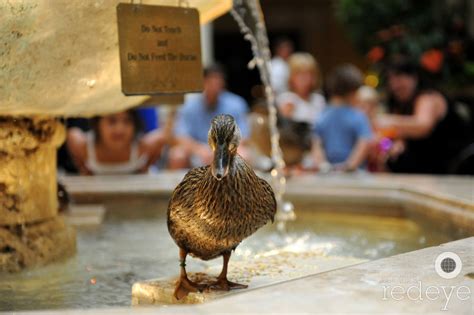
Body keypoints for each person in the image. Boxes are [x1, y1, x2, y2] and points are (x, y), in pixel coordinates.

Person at [376, 59, 472, 174]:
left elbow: (422, 126)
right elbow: (395, 138)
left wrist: (387, 120)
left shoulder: (428, 97)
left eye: (399, 78)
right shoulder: (401, 104)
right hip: (428, 172)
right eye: (390, 79)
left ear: (414, 77)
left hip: (453, 168)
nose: (394, 84)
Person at [169, 64, 250, 169]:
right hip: (196, 151)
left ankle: (238, 185)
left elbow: (244, 136)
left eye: (218, 82)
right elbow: (180, 136)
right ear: (203, 82)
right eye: (211, 82)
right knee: (177, 155)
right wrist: (199, 150)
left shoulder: (236, 103)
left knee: (244, 154)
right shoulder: (189, 106)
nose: (214, 86)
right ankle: (180, 184)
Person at [67, 110, 166, 175]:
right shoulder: (85, 146)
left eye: (127, 121)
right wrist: (83, 169)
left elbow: (160, 138)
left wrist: (145, 167)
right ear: (98, 124)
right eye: (112, 121)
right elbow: (72, 135)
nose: (119, 129)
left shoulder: (141, 146)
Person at [313, 64, 373, 172]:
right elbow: (364, 143)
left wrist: (323, 166)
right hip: (355, 174)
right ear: (353, 92)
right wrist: (349, 166)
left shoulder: (322, 116)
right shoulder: (358, 117)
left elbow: (316, 145)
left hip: (328, 174)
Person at [277, 53, 326, 126]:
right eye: (299, 74)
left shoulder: (319, 100)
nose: (304, 78)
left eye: (308, 74)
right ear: (291, 77)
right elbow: (284, 129)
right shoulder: (288, 100)